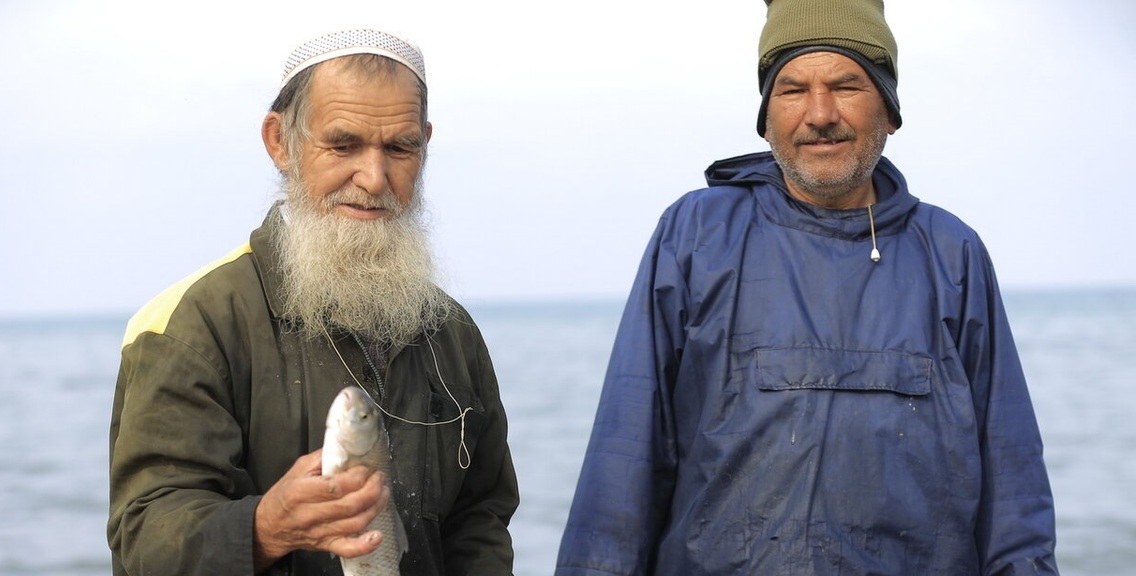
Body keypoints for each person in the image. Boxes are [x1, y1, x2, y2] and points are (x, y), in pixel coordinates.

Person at [555, 1, 1058, 574]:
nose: (820, 114)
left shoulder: (951, 254)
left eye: (846, 85)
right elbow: (624, 463)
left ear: (890, 111)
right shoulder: (697, 235)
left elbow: (1013, 490)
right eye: (793, 89)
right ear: (766, 116)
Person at [107, 29, 519, 575]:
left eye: (400, 147)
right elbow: (142, 542)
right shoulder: (191, 325)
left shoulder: (451, 331)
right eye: (343, 144)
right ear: (280, 142)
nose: (374, 179)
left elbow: (481, 520)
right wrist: (263, 528)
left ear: (425, 143)